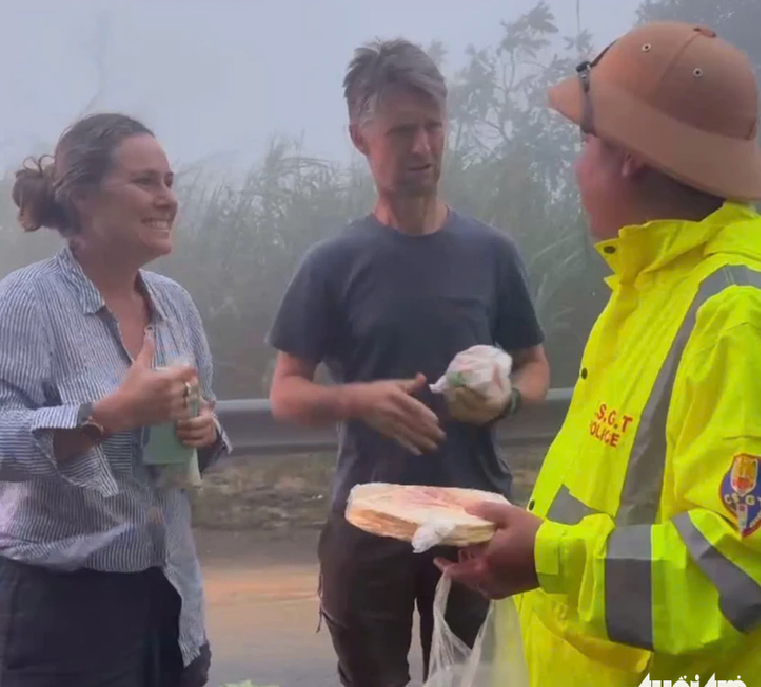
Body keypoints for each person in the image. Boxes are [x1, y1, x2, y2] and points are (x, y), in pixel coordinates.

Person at [437, 21, 761, 686]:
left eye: (585, 139)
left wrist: (546, 558)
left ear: (630, 154)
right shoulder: (646, 288)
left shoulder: (735, 315)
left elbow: (735, 574)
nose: (577, 163)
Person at [267, 38, 550, 687]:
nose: (422, 147)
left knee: (473, 678)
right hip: (369, 524)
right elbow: (285, 392)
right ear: (360, 137)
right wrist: (355, 399)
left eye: (433, 127)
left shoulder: (491, 252)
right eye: (401, 131)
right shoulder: (333, 262)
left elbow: (534, 367)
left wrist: (505, 397)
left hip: (477, 522)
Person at [0, 112, 231, 686]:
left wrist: (203, 431)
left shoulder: (175, 304)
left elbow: (207, 415)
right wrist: (106, 417)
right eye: (145, 182)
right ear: (81, 196)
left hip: (172, 602)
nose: (167, 199)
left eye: (169, 182)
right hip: (60, 613)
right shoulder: (24, 304)